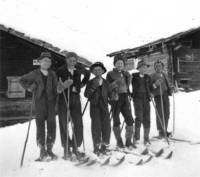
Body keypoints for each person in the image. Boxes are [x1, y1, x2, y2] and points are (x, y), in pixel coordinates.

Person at [20, 52, 58, 161]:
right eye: (45, 60)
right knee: (40, 125)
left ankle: (50, 150)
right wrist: (29, 88)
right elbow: (22, 80)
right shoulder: (34, 73)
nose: (47, 63)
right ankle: (42, 151)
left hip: (51, 103)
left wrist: (59, 89)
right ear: (40, 62)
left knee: (52, 125)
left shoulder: (53, 74)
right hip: (40, 102)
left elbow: (56, 88)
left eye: (49, 61)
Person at [56, 52, 90, 158]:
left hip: (75, 98)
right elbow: (57, 85)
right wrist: (63, 86)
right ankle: (67, 148)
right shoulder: (60, 70)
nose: (72, 62)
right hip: (64, 98)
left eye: (74, 60)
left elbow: (88, 74)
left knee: (78, 124)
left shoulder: (79, 68)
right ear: (66, 60)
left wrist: (81, 84)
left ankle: (76, 147)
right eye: (70, 60)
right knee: (64, 124)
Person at [106, 55, 135, 148]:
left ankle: (128, 141)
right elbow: (107, 88)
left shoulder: (126, 74)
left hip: (125, 98)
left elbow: (127, 86)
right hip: (115, 98)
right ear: (115, 64)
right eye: (118, 63)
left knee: (130, 120)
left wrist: (129, 78)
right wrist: (114, 84)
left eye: (121, 63)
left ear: (123, 64)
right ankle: (119, 141)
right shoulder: (110, 74)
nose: (119, 65)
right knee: (116, 120)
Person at [84, 62, 111, 155]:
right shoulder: (90, 82)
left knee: (106, 126)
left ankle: (104, 146)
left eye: (99, 70)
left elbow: (109, 94)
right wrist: (93, 87)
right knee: (96, 127)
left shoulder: (106, 82)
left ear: (103, 71)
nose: (97, 71)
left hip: (104, 106)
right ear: (93, 72)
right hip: (94, 106)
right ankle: (96, 147)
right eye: (95, 70)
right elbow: (86, 94)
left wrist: (114, 95)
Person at [131, 60, 152, 145]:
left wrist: (152, 92)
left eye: (145, 67)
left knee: (147, 118)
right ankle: (136, 138)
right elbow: (129, 83)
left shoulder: (148, 77)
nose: (144, 69)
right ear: (138, 68)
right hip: (137, 98)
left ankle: (146, 138)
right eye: (142, 67)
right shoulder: (134, 77)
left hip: (146, 98)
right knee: (139, 117)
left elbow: (151, 87)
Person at [151, 60, 172, 138]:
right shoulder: (152, 76)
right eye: (156, 66)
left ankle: (165, 130)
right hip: (158, 96)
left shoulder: (164, 74)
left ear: (162, 67)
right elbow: (150, 87)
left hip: (165, 95)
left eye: (160, 66)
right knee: (160, 113)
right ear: (154, 67)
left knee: (167, 113)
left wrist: (171, 88)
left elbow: (168, 84)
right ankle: (160, 131)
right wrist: (155, 84)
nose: (158, 67)